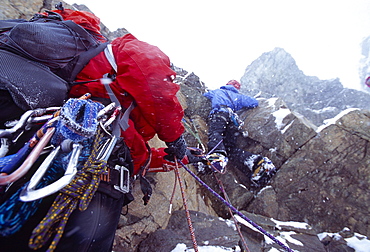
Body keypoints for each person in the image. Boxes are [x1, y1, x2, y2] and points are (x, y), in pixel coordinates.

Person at [0, 8, 200, 252]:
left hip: (52, 143)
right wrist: (175, 136)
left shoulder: (78, 76)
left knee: (22, 229)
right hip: (100, 164)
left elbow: (134, 144)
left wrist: (169, 158)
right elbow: (151, 73)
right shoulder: (117, 49)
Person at [203, 80, 276, 187]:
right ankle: (258, 162)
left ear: (227, 85)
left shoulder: (218, 92)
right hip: (233, 121)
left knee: (216, 134)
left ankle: (217, 157)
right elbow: (254, 102)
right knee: (230, 149)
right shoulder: (238, 97)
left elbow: (205, 96)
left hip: (220, 114)